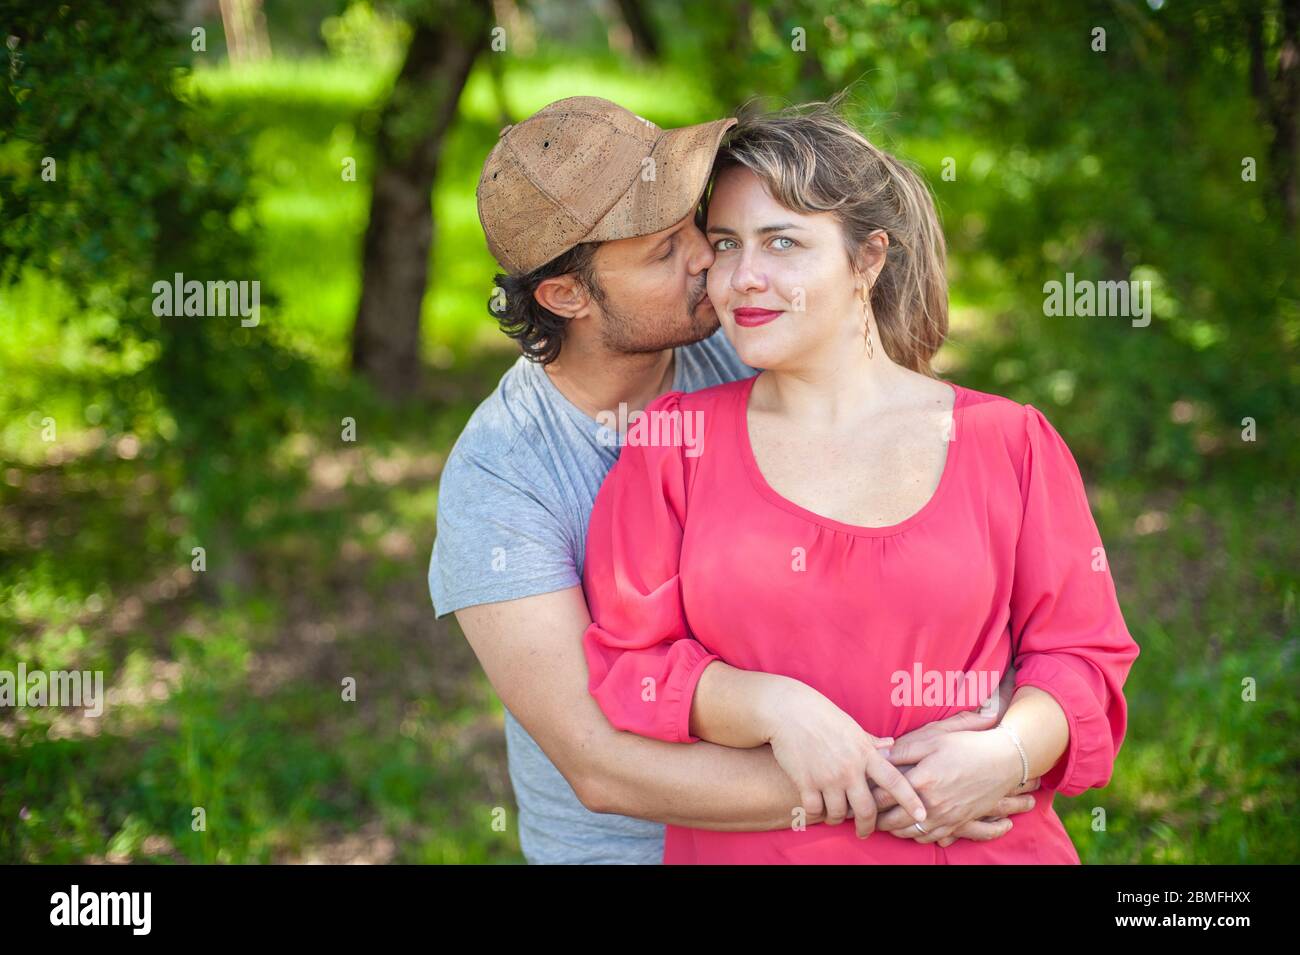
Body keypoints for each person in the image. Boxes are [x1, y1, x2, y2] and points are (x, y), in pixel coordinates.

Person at [430, 95, 1038, 865]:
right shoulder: (502, 475)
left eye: (694, 227)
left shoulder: (743, 339)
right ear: (567, 296)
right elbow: (598, 763)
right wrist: (896, 783)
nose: (708, 261)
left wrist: (999, 745)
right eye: (661, 253)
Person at [580, 100, 1141, 863]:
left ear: (868, 259)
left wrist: (1005, 752)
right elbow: (631, 665)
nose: (744, 278)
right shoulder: (672, 447)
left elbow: (1080, 657)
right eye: (725, 245)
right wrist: (774, 706)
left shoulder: (1007, 441)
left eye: (782, 242)